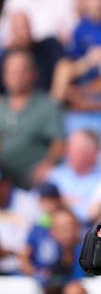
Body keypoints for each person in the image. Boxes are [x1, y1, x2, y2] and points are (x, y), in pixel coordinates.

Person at [0, 50, 65, 189]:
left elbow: (59, 143)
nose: (16, 76)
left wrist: (47, 164)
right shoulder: (2, 105)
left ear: (33, 74)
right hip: (4, 176)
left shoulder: (47, 105)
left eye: (21, 71)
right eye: (11, 71)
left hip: (33, 177)